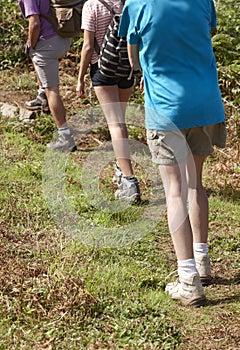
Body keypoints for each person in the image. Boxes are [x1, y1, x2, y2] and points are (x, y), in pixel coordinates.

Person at [119, 0, 226, 306]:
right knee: (195, 184)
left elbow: (133, 59)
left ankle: (188, 279)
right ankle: (202, 261)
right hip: (205, 104)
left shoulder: (137, 4)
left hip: (167, 108)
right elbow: (206, 34)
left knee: (174, 191)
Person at [76, 0, 140, 203]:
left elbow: (88, 46)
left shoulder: (92, 6)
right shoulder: (128, 3)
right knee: (120, 122)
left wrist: (80, 78)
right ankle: (121, 170)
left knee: (115, 124)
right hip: (126, 69)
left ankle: (130, 182)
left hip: (102, 69)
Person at [18, 0, 76, 152]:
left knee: (53, 90)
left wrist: (31, 45)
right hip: (63, 38)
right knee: (39, 61)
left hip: (48, 43)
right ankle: (41, 94)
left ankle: (65, 137)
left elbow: (35, 23)